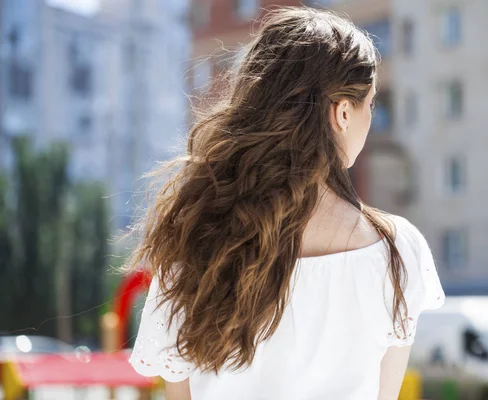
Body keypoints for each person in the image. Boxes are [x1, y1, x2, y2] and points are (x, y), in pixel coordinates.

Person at [126, 6, 445, 400]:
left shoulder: (196, 241)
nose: (369, 118)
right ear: (343, 112)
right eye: (370, 104)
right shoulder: (398, 249)